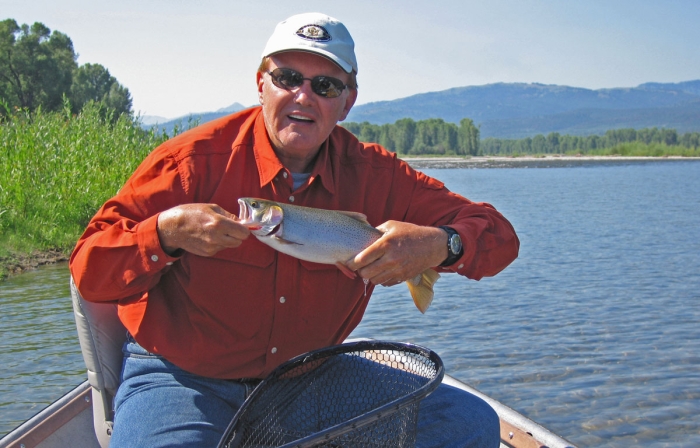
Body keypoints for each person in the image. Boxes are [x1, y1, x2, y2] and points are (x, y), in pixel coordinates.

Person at [70, 12, 519, 447]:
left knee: (467, 423)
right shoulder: (190, 164)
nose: (303, 96)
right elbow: (89, 269)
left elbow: (499, 236)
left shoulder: (375, 175)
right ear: (260, 83)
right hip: (182, 378)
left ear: (347, 102)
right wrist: (163, 234)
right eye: (287, 78)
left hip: (309, 379)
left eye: (325, 85)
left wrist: (441, 244)